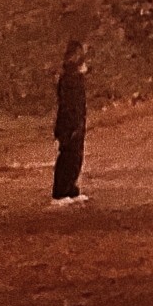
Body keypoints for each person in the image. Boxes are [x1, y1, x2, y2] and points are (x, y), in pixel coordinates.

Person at [50, 37, 89, 204]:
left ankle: (71, 188)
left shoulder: (75, 78)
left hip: (76, 120)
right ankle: (61, 191)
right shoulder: (69, 78)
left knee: (76, 155)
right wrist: (68, 126)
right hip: (69, 121)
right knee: (68, 155)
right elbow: (67, 105)